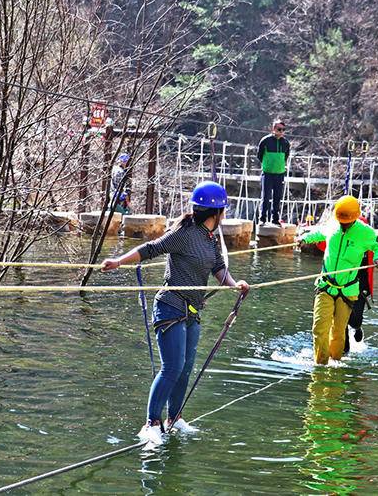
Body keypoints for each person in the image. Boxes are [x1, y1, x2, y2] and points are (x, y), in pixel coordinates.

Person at [100, 181, 250, 446]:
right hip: (170, 305)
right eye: (224, 210)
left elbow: (218, 268)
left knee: (185, 368)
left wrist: (235, 284)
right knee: (172, 367)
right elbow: (151, 249)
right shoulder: (185, 233)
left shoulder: (210, 238)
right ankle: (151, 424)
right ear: (217, 212)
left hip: (192, 312)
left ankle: (174, 418)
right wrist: (118, 262)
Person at [299, 196, 378, 365]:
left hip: (347, 290)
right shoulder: (333, 224)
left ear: (355, 217)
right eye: (341, 220)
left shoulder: (365, 232)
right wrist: (305, 238)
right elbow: (319, 233)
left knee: (339, 332)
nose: (343, 224)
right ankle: (320, 364)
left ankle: (335, 363)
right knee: (319, 327)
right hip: (325, 285)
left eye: (346, 221)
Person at [257, 119, 290, 226]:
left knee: (277, 197)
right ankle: (262, 218)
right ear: (273, 129)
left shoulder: (285, 143)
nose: (281, 131)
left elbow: (286, 156)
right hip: (267, 173)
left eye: (283, 129)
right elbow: (259, 155)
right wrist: (267, 165)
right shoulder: (265, 141)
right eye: (279, 129)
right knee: (265, 196)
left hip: (280, 173)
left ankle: (275, 219)